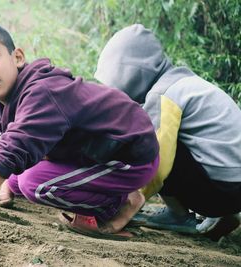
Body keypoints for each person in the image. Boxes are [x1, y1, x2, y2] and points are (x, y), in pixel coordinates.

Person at [0, 22, 160, 239]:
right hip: (95, 152)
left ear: (17, 57)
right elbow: (17, 147)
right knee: (19, 181)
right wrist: (8, 185)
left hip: (129, 156)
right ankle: (113, 194)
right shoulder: (8, 101)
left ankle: (121, 203)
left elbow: (10, 152)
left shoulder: (43, 92)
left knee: (36, 185)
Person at [94, 24, 241, 241]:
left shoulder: (164, 93)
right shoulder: (184, 82)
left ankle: (178, 215)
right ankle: (224, 215)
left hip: (223, 192)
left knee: (150, 146)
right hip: (233, 186)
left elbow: (156, 164)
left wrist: (127, 205)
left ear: (130, 72)